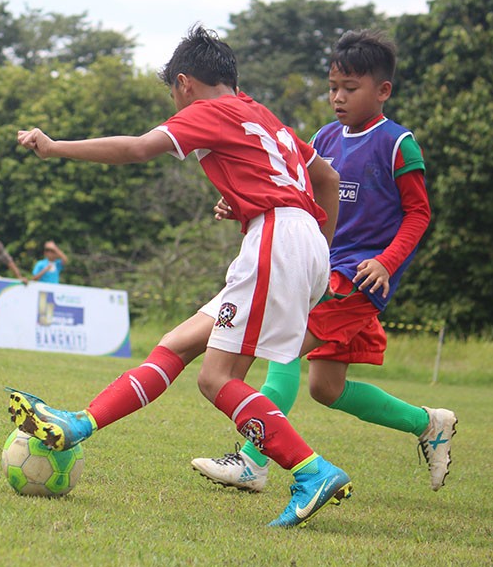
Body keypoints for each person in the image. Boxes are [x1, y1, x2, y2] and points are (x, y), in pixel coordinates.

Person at [10, 25, 350, 528]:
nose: (176, 106)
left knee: (217, 380)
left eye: (174, 94)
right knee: (176, 344)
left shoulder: (207, 111)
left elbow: (138, 149)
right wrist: (310, 244)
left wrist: (56, 147)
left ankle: (310, 470)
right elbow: (328, 179)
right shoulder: (264, 116)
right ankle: (79, 423)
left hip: (276, 240)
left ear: (185, 83)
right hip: (298, 240)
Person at [191, 29, 458, 494]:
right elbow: (295, 198)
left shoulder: (398, 143)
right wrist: (240, 206)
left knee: (281, 350)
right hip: (320, 268)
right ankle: (428, 423)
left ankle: (253, 462)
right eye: (333, 87)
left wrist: (388, 263)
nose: (338, 97)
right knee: (326, 388)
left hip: (359, 279)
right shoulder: (323, 137)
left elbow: (419, 213)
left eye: (350, 89)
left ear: (383, 90)